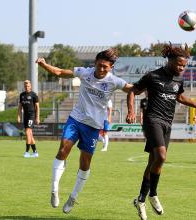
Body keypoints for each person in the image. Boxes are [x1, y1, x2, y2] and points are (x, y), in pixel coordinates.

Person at [36, 48, 133, 214]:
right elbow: (59, 72)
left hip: (93, 126)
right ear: (95, 63)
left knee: (85, 163)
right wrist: (44, 64)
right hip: (76, 119)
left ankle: (73, 196)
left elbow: (132, 89)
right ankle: (54, 189)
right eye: (100, 65)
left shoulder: (114, 81)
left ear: (111, 68)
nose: (102, 69)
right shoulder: (84, 72)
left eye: (106, 67)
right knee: (63, 150)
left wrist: (131, 110)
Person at [126, 44, 196, 220]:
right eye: (179, 64)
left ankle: (140, 199)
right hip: (152, 120)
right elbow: (133, 91)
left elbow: (179, 97)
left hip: (167, 123)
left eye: (184, 66)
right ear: (170, 60)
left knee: (153, 161)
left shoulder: (178, 80)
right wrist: (131, 111)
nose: (182, 68)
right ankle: (153, 194)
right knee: (162, 157)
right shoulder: (153, 76)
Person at [17, 80, 40, 158]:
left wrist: (37, 117)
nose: (27, 87)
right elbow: (20, 107)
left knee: (27, 132)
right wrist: (19, 116)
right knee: (30, 134)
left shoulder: (34, 95)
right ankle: (35, 152)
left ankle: (27, 152)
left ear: (31, 86)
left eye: (28, 86)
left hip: (31, 115)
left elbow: (37, 107)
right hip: (25, 116)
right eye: (25, 86)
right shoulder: (22, 95)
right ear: (24, 86)